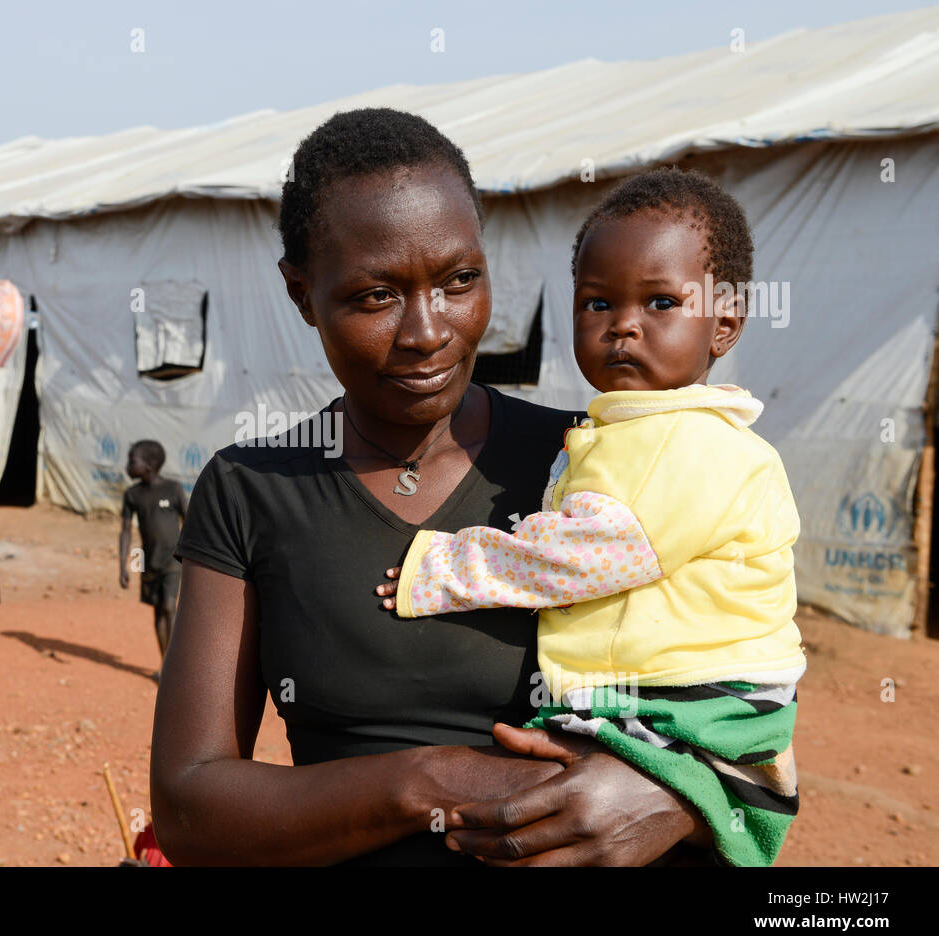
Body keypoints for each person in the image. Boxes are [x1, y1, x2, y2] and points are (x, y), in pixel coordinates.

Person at [150, 108, 715, 866]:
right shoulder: (251, 490)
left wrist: (677, 797)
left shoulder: (600, 460)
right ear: (300, 293)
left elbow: (754, 706)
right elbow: (190, 808)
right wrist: (430, 782)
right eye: (375, 296)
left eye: (459, 281)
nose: (426, 332)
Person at [377, 169, 804, 866]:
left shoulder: (687, 441)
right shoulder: (632, 429)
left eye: (660, 301)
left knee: (547, 814)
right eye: (596, 302)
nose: (623, 325)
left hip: (696, 704)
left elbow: (585, 552)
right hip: (680, 700)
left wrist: (446, 570)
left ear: (723, 322)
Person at [118, 440, 187, 665]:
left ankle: (176, 664)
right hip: (148, 560)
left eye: (132, 461)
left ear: (150, 464)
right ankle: (165, 663)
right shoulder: (132, 495)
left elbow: (189, 522)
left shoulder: (173, 488)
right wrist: (122, 566)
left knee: (169, 606)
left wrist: (193, 558)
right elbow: (126, 531)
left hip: (173, 559)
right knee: (158, 610)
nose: (128, 466)